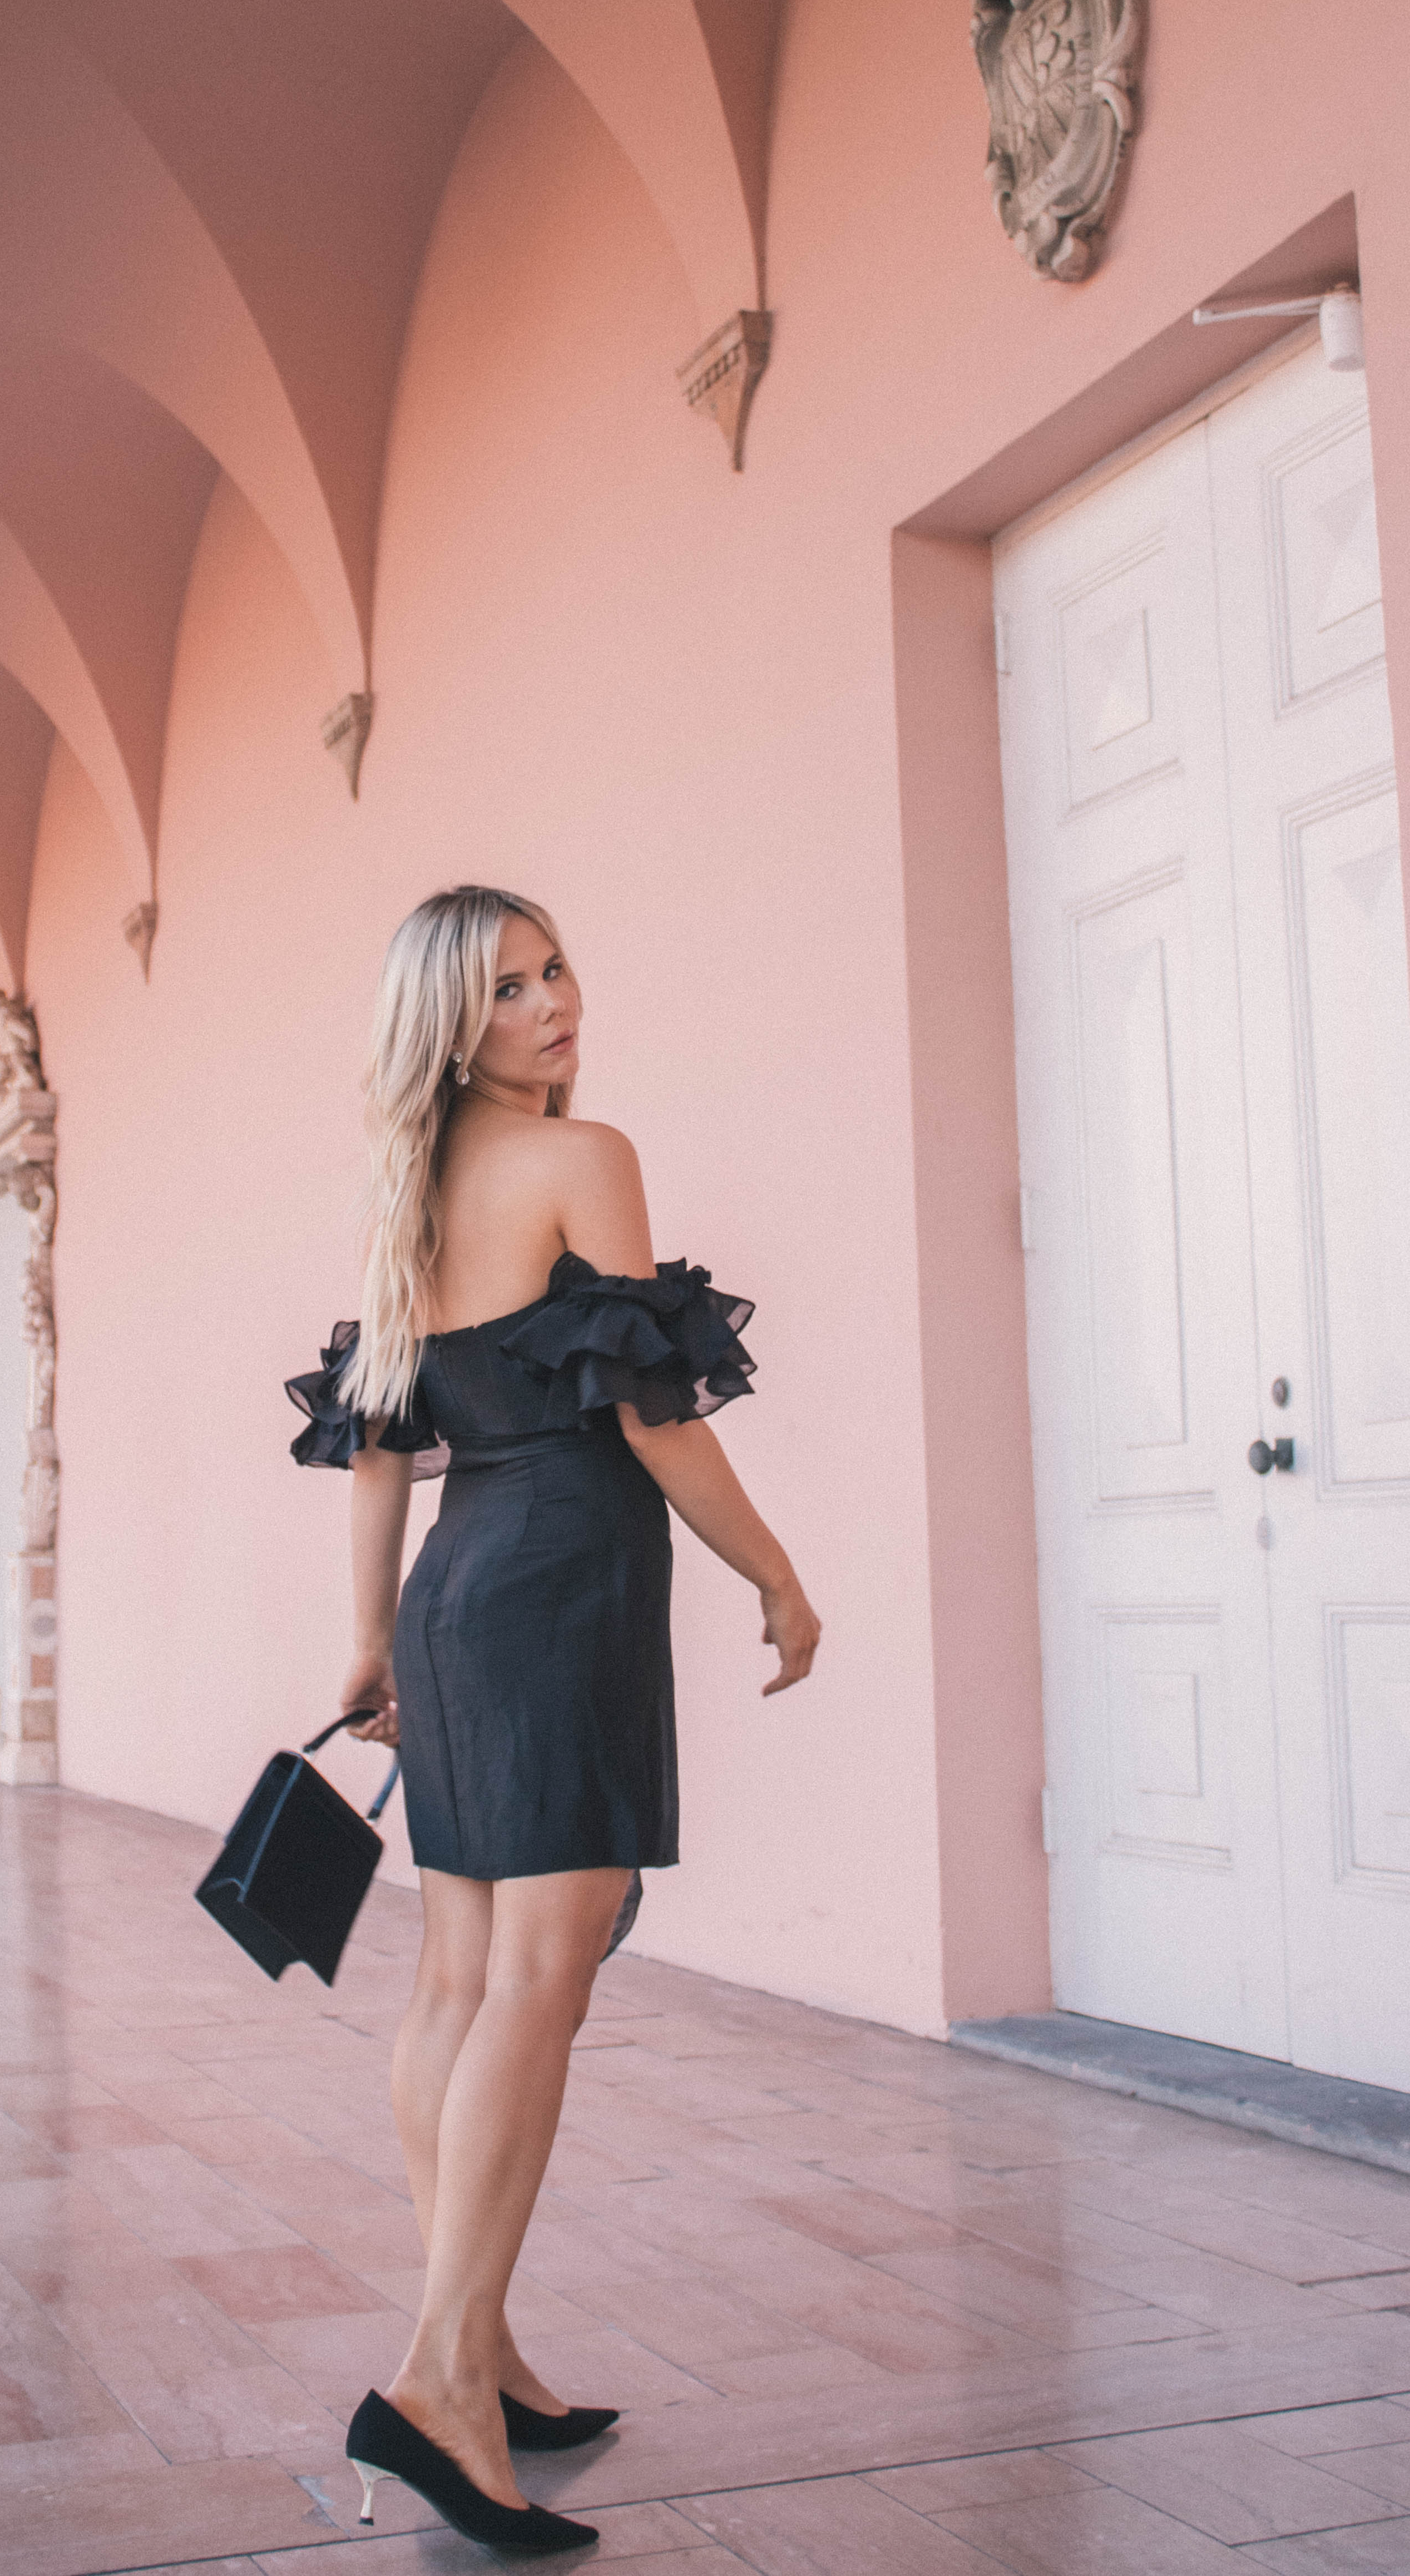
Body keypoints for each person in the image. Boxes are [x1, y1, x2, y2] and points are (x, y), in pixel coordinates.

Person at [285, 885, 821, 2553]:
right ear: (454, 1022)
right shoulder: (582, 1160)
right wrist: (777, 1571)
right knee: (536, 1976)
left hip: (453, 1599)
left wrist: (369, 1634)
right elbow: (653, 1411)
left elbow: (381, 1440)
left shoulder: (406, 1192)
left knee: (459, 1977)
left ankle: (485, 2350)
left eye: (553, 968)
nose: (552, 1004)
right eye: (509, 989)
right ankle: (441, 2374)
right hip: (561, 1584)